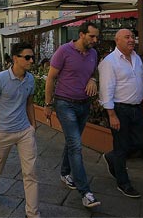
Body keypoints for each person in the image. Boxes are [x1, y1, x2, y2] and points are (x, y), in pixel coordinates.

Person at [44, 22, 101, 208]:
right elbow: (51, 78)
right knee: (76, 146)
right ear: (82, 34)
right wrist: (48, 104)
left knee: (71, 142)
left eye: (96, 37)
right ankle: (86, 192)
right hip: (64, 103)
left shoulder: (93, 53)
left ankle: (64, 172)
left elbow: (93, 72)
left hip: (84, 105)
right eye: (92, 36)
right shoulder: (64, 50)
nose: (95, 40)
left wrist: (93, 79)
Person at [0, 42, 39, 218]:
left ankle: (32, 213)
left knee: (30, 172)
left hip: (24, 131)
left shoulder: (30, 79)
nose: (31, 60)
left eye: (32, 57)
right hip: (4, 132)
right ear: (15, 59)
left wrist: (33, 125)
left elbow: (29, 103)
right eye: (27, 57)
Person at [98, 29, 143, 199]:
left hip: (137, 108)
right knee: (121, 146)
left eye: (133, 36)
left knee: (140, 143)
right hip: (120, 109)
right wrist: (111, 115)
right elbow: (105, 90)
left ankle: (111, 157)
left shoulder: (137, 58)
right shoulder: (109, 62)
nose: (131, 40)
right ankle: (123, 183)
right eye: (127, 37)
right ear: (117, 40)